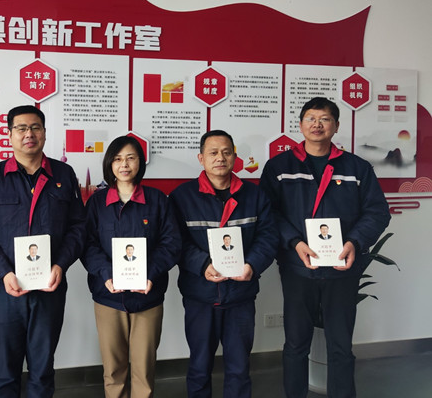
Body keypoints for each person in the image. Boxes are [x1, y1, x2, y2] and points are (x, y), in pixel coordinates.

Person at [259, 97, 391, 398]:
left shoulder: (357, 168)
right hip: (298, 269)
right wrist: (295, 243)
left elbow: (377, 212)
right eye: (311, 118)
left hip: (342, 270)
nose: (317, 124)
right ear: (301, 124)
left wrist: (354, 242)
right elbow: (268, 213)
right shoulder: (280, 167)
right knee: (295, 344)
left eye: (325, 119)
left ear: (336, 126)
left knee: (341, 346)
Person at [0, 105, 85, 398]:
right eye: (21, 128)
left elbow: (78, 227)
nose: (28, 134)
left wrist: (61, 264)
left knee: (42, 368)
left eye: (35, 127)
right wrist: (3, 273)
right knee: (6, 368)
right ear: (9, 134)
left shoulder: (64, 174)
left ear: (44, 133)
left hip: (49, 288)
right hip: (5, 289)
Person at [169, 129, 278, 398]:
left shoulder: (254, 195)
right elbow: (175, 242)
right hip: (200, 295)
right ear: (201, 158)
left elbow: (268, 237)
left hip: (240, 295)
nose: (220, 158)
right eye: (213, 153)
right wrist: (202, 264)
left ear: (234, 157)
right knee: (199, 365)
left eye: (227, 152)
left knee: (239, 367)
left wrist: (252, 264)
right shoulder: (182, 197)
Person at [82, 136, 180, 398]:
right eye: (117, 159)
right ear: (109, 164)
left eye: (130, 158)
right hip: (108, 297)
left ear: (140, 162)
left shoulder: (157, 200)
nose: (124, 164)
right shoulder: (97, 202)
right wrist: (106, 274)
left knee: (143, 368)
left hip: (147, 295)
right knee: (113, 369)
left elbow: (171, 243)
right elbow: (87, 244)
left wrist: (150, 274)